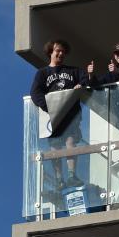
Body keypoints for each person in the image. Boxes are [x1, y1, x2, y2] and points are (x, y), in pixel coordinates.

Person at [30, 39, 90, 189]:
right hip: (52, 117)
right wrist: (48, 107)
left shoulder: (73, 71)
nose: (61, 53)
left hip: (71, 115)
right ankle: (59, 179)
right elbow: (35, 93)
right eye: (58, 50)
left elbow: (84, 79)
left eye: (63, 51)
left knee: (70, 142)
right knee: (55, 145)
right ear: (50, 51)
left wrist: (81, 84)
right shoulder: (42, 73)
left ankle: (71, 175)